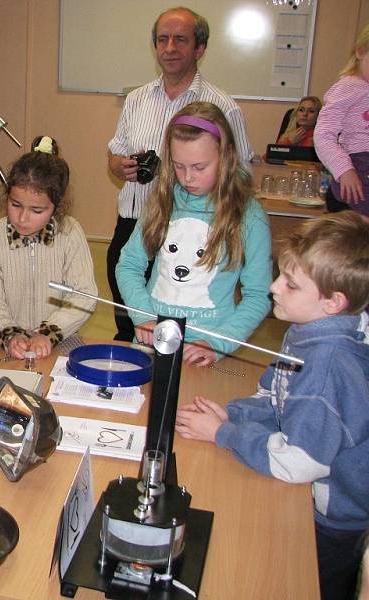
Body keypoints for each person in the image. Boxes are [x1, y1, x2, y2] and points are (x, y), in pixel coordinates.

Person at [175, 211, 369, 600]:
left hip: (330, 519)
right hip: (308, 489)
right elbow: (275, 397)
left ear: (333, 302)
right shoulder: (306, 329)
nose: (274, 288)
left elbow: (298, 462)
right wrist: (235, 414)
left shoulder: (326, 366)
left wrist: (224, 434)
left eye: (290, 284)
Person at [107, 6, 252, 341]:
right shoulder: (136, 99)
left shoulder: (222, 105)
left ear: (199, 48)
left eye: (180, 40)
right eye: (162, 39)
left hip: (194, 231)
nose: (169, 48)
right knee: (128, 307)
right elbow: (115, 152)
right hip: (135, 221)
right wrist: (117, 165)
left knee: (185, 313)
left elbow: (241, 174)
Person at [115, 102, 272, 366]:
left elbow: (259, 294)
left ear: (227, 155)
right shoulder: (161, 202)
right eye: (178, 166)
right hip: (153, 345)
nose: (188, 178)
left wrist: (219, 342)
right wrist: (143, 317)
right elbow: (129, 265)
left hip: (207, 354)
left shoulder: (249, 216)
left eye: (200, 167)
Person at [0, 136, 97, 360]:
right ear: (7, 197)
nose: (22, 218)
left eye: (37, 211)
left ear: (56, 207)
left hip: (62, 336)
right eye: (15, 205)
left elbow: (84, 297)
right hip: (5, 339)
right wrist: (11, 335)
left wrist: (47, 333)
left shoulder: (70, 233)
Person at [314, 23, 369, 216]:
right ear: (361, 52)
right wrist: (344, 170)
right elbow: (323, 134)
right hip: (357, 170)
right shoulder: (348, 87)